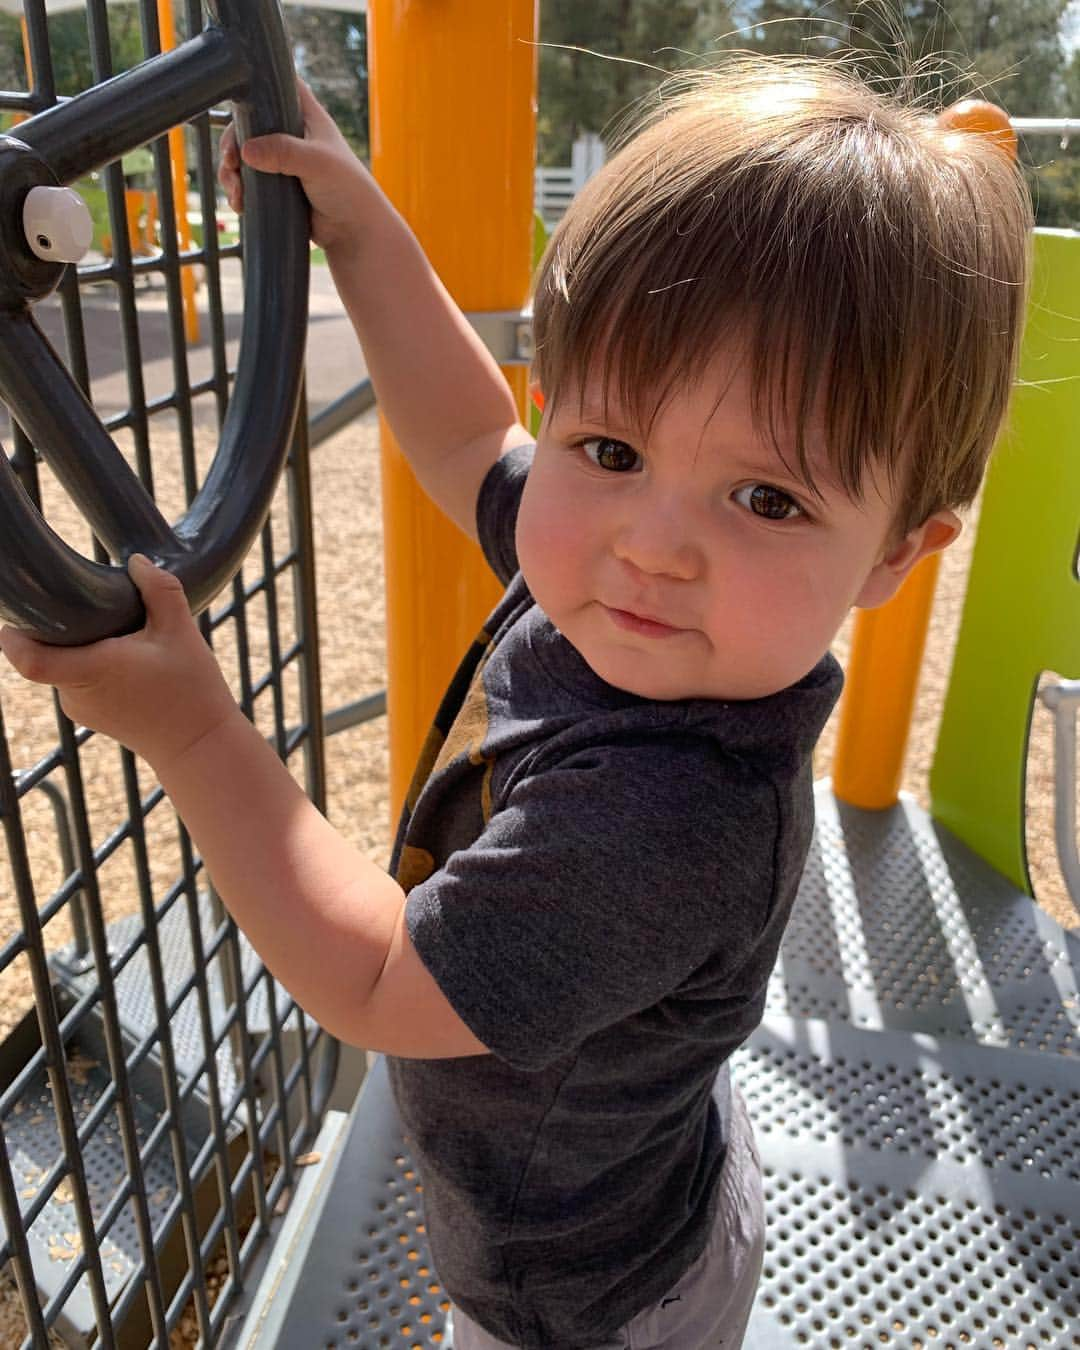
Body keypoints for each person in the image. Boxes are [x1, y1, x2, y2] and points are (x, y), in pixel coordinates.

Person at [0, 52, 1032, 1350]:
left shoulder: (664, 821)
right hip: (637, 1166)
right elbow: (459, 436)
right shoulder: (610, 573)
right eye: (613, 446)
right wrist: (360, 228)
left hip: (587, 1298)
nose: (654, 540)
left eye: (767, 498)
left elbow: (375, 975)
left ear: (894, 552)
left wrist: (196, 729)